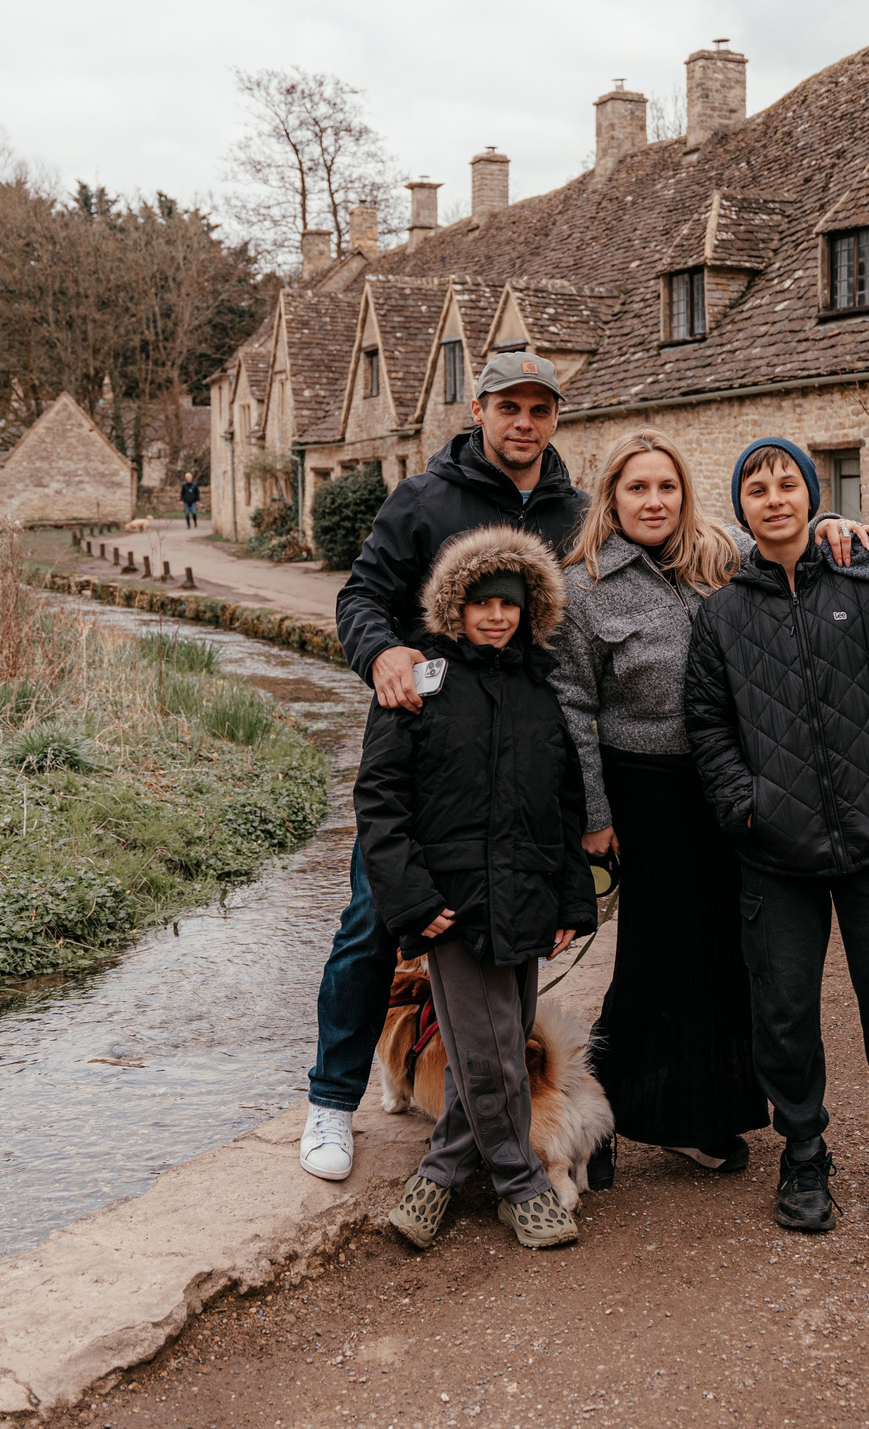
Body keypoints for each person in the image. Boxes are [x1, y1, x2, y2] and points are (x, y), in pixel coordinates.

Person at [299, 356, 869, 1185]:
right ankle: (332, 1097)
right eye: (510, 406)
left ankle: (527, 1112)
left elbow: (755, 562)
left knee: (532, 932)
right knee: (378, 915)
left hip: (536, 764)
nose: (524, 422)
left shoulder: (576, 511)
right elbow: (361, 594)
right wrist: (384, 651)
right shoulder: (424, 500)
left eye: (540, 409)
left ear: (555, 418)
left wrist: (829, 529)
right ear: (480, 409)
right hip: (439, 746)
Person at [550, 429, 869, 1183]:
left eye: (667, 487)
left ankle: (700, 1112)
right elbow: (570, 707)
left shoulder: (717, 558)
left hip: (740, 780)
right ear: (610, 498)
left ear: (686, 495)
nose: (654, 501)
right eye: (637, 488)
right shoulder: (583, 586)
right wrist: (593, 817)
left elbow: (842, 561)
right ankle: (604, 1109)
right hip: (645, 789)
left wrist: (827, 526)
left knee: (730, 956)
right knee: (654, 954)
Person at [684, 436, 869, 1233]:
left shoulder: (867, 587)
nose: (774, 498)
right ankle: (804, 1153)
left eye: (787, 483)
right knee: (786, 1010)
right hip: (777, 853)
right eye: (757, 488)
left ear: (811, 494)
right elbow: (708, 722)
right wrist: (744, 803)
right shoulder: (723, 615)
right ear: (742, 509)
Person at [362, 525, 594, 1251]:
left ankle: (438, 1171)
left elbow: (563, 805)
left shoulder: (541, 691)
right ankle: (521, 1185)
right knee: (493, 1051)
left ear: (530, 611)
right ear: (455, 607)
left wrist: (571, 898)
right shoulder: (420, 682)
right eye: (482, 602)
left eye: (511, 604)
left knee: (482, 1054)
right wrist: (413, 900)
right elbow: (381, 800)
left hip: (524, 895)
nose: (496, 616)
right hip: (449, 906)